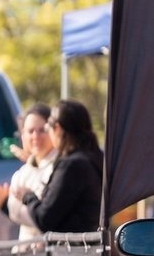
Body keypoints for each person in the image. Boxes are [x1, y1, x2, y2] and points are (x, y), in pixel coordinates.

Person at [0, 104, 58, 240]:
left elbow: (43, 218)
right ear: (22, 135)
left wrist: (5, 202)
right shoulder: (24, 172)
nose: (36, 136)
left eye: (42, 130)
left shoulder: (60, 168)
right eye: (30, 131)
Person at [19, 99, 103, 235]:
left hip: (72, 252)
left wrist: (28, 196)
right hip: (93, 248)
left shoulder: (72, 166)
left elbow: (44, 218)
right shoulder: (95, 158)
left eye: (46, 129)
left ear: (57, 128)